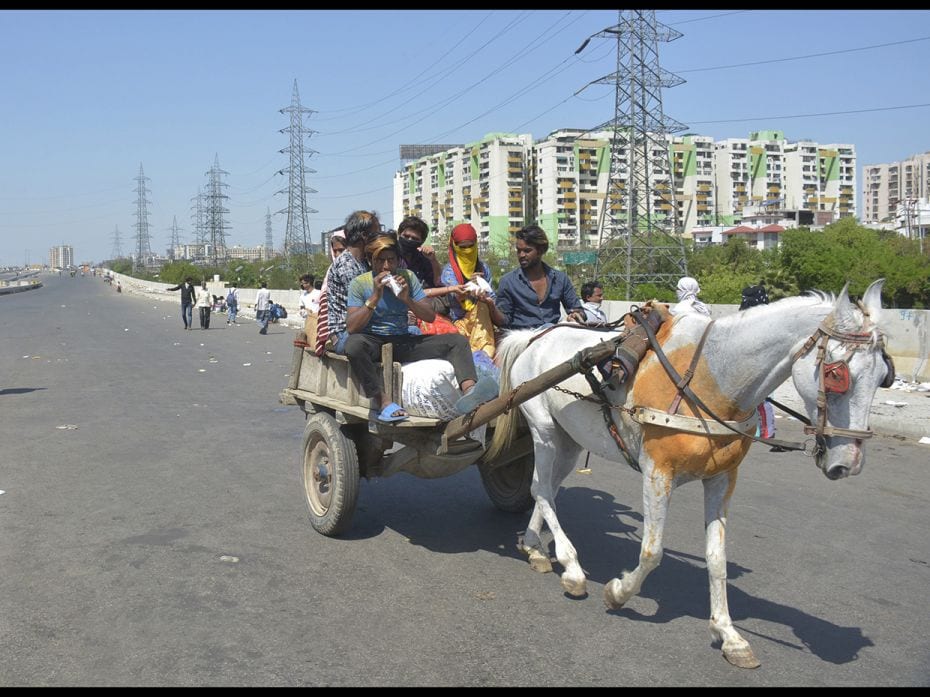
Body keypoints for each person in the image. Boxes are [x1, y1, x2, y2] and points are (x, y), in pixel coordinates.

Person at [343, 235, 498, 423]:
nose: (386, 266)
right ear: (371, 261)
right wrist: (375, 297)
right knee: (353, 345)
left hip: (403, 339)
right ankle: (382, 401)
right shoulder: (360, 283)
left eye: (391, 260)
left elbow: (429, 316)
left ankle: (470, 393)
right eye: (379, 261)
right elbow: (352, 327)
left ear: (398, 260)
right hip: (373, 340)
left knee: (456, 341)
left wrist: (407, 299)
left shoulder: (408, 277)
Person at [495, 224, 586, 329]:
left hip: (551, 338)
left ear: (540, 250)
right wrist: (490, 306)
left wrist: (576, 315)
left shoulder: (560, 279)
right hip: (522, 341)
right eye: (519, 250)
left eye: (527, 250)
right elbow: (504, 321)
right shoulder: (508, 282)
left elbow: (578, 310)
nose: (521, 255)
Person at [440, 222, 504, 357]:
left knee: (482, 305)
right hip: (460, 322)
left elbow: (491, 297)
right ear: (454, 246)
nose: (468, 250)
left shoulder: (483, 268)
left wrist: (483, 288)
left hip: (483, 323)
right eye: (463, 247)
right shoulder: (449, 272)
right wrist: (470, 285)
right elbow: (458, 297)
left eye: (471, 246)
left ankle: (485, 353)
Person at [321, 211, 380, 354]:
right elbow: (369, 300)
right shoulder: (347, 265)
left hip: (361, 329)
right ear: (364, 236)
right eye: (376, 233)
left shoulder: (362, 262)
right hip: (345, 334)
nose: (379, 237)